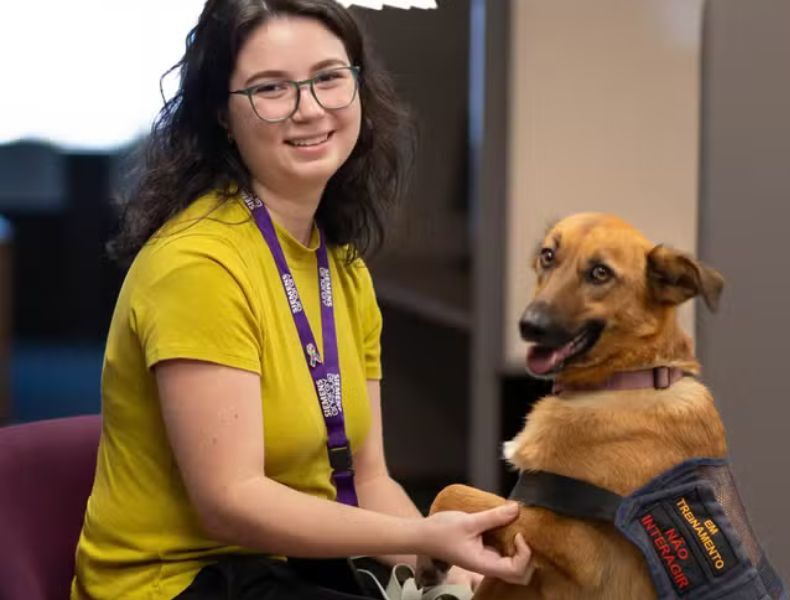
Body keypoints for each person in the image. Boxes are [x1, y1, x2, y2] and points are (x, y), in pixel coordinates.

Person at [71, 1, 531, 598]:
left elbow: (366, 478)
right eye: (271, 89)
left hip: (284, 567)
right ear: (221, 115)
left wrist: (448, 567)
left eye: (329, 78)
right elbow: (230, 503)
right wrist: (428, 540)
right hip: (177, 583)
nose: (310, 108)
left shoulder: (340, 267)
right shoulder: (198, 265)